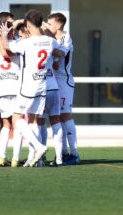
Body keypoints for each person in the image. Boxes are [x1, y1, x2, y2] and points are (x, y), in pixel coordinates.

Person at [0, 9, 65, 167]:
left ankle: (38, 146)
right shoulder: (49, 41)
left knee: (17, 119)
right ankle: (35, 158)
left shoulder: (25, 42)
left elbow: (6, 47)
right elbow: (60, 52)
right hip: (43, 85)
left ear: (28, 25)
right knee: (35, 120)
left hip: (28, 86)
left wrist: (3, 33)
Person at [45, 13, 80, 165]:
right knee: (56, 117)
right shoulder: (51, 39)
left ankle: (75, 153)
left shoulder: (66, 38)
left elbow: (60, 53)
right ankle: (63, 153)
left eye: (49, 23)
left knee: (66, 115)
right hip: (53, 81)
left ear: (58, 25)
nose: (47, 25)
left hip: (63, 80)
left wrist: (48, 43)